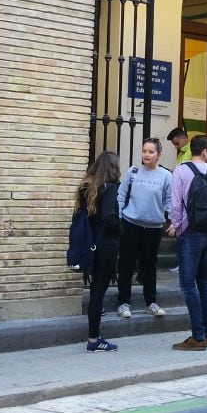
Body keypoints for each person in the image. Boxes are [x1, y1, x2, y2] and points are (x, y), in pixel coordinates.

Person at [168, 135, 207, 350]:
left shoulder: (181, 171)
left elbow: (176, 203)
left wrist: (177, 226)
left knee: (188, 284)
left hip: (190, 233)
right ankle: (205, 333)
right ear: (205, 151)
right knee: (204, 282)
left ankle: (197, 337)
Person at [116, 137, 172, 319]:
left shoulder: (166, 176)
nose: (146, 155)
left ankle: (151, 303)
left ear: (159, 155)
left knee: (149, 265)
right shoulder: (132, 172)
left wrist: (172, 221)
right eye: (144, 151)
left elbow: (169, 200)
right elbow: (120, 195)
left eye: (151, 152)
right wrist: (118, 218)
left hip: (154, 227)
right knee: (126, 264)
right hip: (130, 224)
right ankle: (123, 303)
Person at [79, 151, 122, 352]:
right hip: (106, 245)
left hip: (90, 243)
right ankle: (94, 339)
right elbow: (109, 217)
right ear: (113, 168)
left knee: (96, 291)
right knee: (98, 292)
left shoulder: (86, 188)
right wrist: (121, 229)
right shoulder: (109, 188)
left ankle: (93, 337)